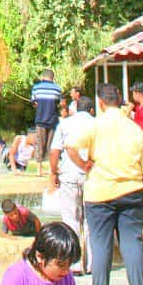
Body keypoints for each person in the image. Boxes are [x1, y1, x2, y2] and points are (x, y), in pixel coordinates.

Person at [67, 82, 143, 285]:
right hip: (132, 191)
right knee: (132, 243)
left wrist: (84, 164)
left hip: (99, 194)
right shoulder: (135, 129)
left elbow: (70, 146)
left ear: (101, 103)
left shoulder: (95, 126)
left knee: (101, 244)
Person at [49, 95, 95, 273]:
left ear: (75, 108)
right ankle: (92, 264)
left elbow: (55, 151)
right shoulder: (97, 124)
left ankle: (75, 264)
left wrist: (53, 172)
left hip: (69, 175)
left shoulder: (65, 124)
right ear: (92, 110)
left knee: (71, 219)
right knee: (90, 221)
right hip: (91, 176)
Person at [30, 69, 63, 169]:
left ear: (43, 77)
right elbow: (58, 104)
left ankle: (39, 170)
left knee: (40, 144)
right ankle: (50, 169)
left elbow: (34, 103)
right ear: (53, 78)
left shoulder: (36, 88)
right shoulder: (57, 89)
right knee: (51, 145)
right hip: (53, 121)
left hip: (40, 120)